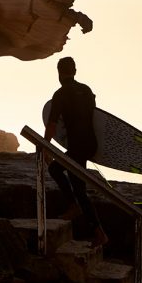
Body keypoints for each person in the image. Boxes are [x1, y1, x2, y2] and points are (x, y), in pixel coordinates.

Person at [44, 57, 108, 249]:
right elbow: (96, 117)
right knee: (68, 180)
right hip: (90, 144)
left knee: (62, 176)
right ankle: (92, 227)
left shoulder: (61, 94)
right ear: (75, 71)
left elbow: (52, 124)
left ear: (59, 73)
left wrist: (44, 147)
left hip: (77, 147)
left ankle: (89, 222)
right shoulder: (87, 90)